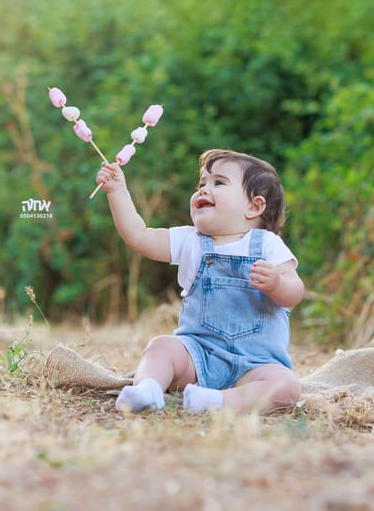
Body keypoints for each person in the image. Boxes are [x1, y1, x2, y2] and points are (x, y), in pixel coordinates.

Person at [95, 148, 303, 414]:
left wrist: (277, 284)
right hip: (197, 357)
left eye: (219, 182)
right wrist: (117, 192)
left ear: (254, 206)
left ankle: (215, 402)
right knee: (162, 347)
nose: (204, 189)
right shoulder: (191, 241)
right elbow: (140, 236)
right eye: (202, 183)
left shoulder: (267, 244)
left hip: (256, 366)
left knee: (287, 386)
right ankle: (148, 388)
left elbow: (295, 292)